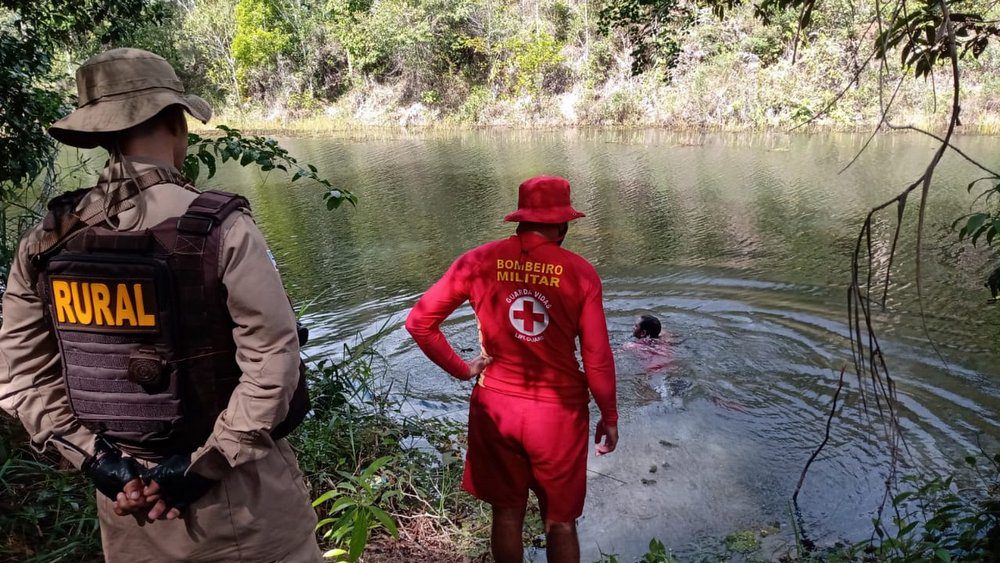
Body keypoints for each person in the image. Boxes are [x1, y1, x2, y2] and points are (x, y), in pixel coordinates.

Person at [0, 48, 320, 562]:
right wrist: (198, 470)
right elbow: (273, 363)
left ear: (102, 135)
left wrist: (104, 467)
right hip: (245, 507)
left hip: (130, 514)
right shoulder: (222, 228)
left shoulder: (46, 243)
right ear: (176, 121)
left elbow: (24, 379)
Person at [405, 176, 618, 563]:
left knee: (506, 512)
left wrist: (463, 370)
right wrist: (610, 415)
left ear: (521, 219)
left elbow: (419, 323)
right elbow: (598, 358)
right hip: (557, 417)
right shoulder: (580, 273)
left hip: (495, 408)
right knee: (561, 521)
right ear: (563, 224)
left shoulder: (477, 262)